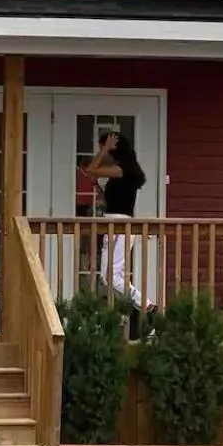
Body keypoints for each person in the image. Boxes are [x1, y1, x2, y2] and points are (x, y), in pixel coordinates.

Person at [83, 132, 153, 313]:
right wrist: (97, 187)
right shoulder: (118, 172)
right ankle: (144, 307)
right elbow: (110, 203)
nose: (102, 152)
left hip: (122, 226)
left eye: (103, 148)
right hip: (111, 223)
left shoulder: (121, 170)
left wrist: (105, 147)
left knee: (113, 276)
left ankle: (147, 305)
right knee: (107, 278)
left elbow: (90, 169)